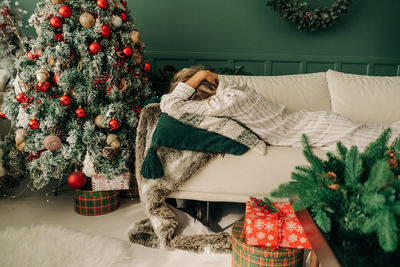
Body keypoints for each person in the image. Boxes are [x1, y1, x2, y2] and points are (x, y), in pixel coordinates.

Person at [161, 66, 400, 152]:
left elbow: (171, 105)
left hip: (313, 127)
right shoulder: (230, 95)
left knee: (383, 140)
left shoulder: (226, 101)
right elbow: (174, 104)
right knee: (380, 135)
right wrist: (204, 74)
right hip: (312, 123)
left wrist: (199, 77)